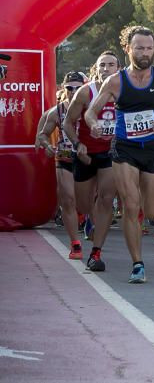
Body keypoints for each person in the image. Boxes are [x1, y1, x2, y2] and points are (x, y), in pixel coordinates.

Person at [86, 25, 154, 284]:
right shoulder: (115, 81)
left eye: (149, 48)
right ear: (128, 49)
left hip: (152, 148)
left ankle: (138, 209)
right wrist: (94, 124)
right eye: (139, 48)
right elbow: (90, 112)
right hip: (124, 148)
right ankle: (137, 264)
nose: (145, 53)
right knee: (130, 205)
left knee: (151, 211)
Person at [63, 52, 121, 271]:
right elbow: (68, 123)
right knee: (84, 205)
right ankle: (91, 217)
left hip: (111, 154)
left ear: (118, 68)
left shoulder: (124, 92)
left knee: (106, 200)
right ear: (95, 69)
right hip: (86, 155)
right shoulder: (85, 92)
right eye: (102, 65)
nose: (106, 68)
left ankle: (96, 252)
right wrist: (78, 145)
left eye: (111, 65)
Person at [36, 72, 88, 260]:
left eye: (78, 88)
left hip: (88, 159)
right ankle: (75, 244)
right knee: (68, 199)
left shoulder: (92, 107)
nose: (73, 92)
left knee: (86, 202)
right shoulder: (57, 111)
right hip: (64, 157)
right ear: (63, 89)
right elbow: (43, 134)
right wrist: (47, 145)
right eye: (69, 88)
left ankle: (87, 219)